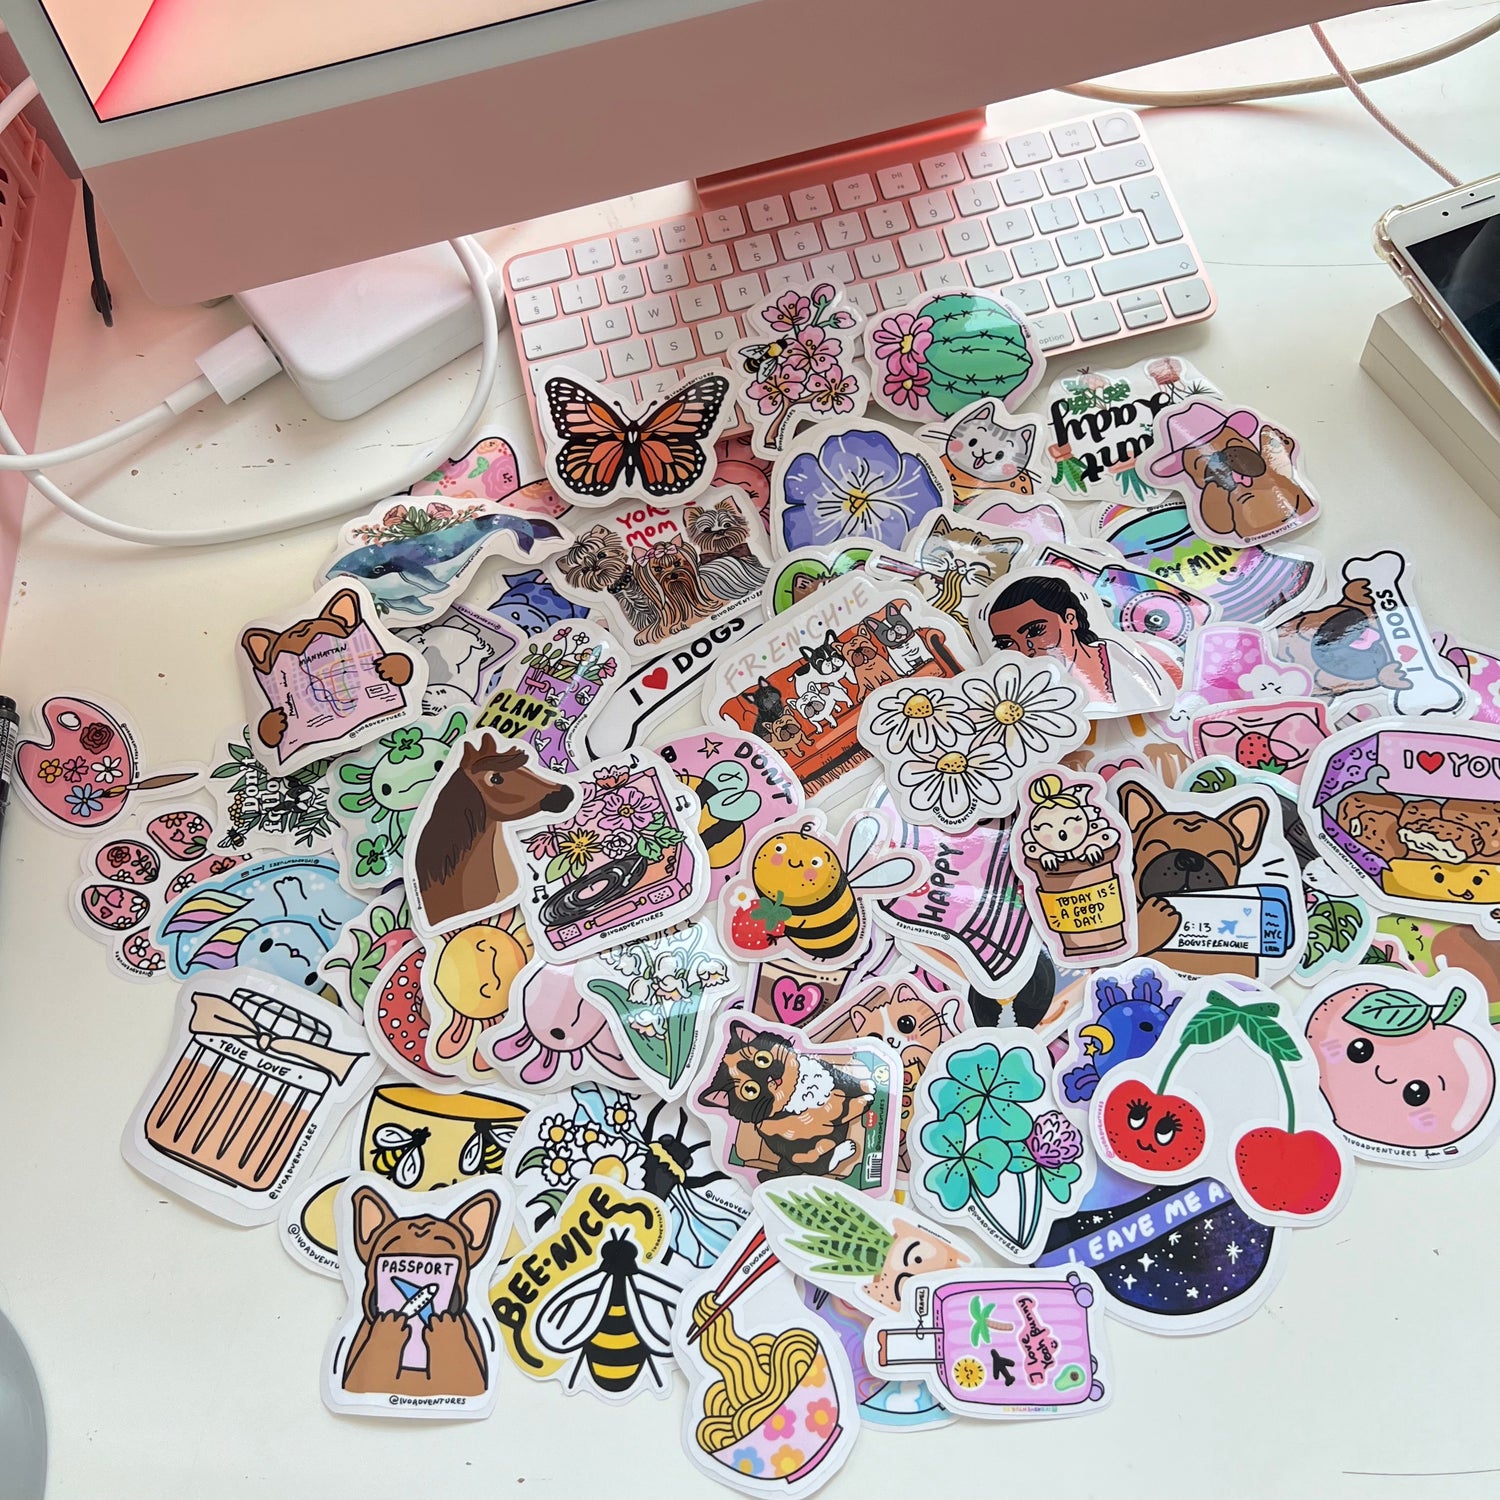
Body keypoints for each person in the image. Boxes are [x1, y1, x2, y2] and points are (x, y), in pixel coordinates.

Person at [984, 573, 1166, 713]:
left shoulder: (1118, 658)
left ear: (1070, 619)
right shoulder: (1018, 694)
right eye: (1006, 643)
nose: (1025, 650)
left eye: (1035, 631)